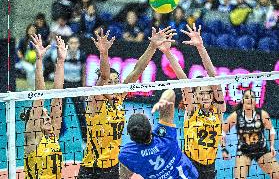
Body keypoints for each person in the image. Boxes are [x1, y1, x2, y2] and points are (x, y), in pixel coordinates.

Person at [78, 26, 175, 179]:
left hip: (112, 167)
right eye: (110, 82)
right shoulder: (95, 100)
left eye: (116, 82)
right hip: (92, 168)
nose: (114, 85)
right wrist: (104, 53)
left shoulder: (118, 97)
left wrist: (152, 46)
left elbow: (138, 69)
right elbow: (103, 77)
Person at [158, 23, 226, 179]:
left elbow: (213, 77)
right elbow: (182, 78)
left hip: (209, 168)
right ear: (195, 96)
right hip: (188, 165)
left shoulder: (218, 110)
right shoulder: (192, 109)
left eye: (209, 92)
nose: (206, 96)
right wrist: (168, 52)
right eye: (201, 93)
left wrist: (201, 47)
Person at [118, 89, 199, 179]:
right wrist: (162, 101)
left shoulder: (126, 154)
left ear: (131, 136)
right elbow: (171, 92)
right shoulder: (166, 136)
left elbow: (125, 176)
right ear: (151, 129)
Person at [20, 34, 67, 179]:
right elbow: (39, 95)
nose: (48, 118)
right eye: (43, 115)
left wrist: (60, 61)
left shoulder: (53, 135)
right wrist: (39, 60)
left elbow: (57, 97)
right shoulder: (33, 138)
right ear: (32, 122)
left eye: (47, 115)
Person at [222, 89, 279, 179]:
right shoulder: (236, 115)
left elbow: (272, 130)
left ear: (255, 100)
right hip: (244, 151)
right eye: (247, 97)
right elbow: (223, 132)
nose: (249, 99)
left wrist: (272, 146)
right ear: (242, 100)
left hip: (261, 150)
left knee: (277, 175)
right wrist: (224, 148)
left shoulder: (262, 114)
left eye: (252, 97)